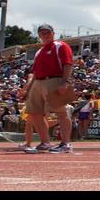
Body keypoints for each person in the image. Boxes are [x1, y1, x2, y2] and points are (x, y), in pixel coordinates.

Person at [22, 24, 77, 153]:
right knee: (34, 113)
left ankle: (65, 143)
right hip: (38, 82)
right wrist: (28, 89)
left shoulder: (60, 45)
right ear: (39, 35)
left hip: (55, 79)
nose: (45, 35)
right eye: (42, 33)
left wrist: (65, 82)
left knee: (61, 112)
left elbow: (68, 64)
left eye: (47, 32)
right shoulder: (39, 51)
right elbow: (34, 72)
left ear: (53, 33)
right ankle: (45, 142)